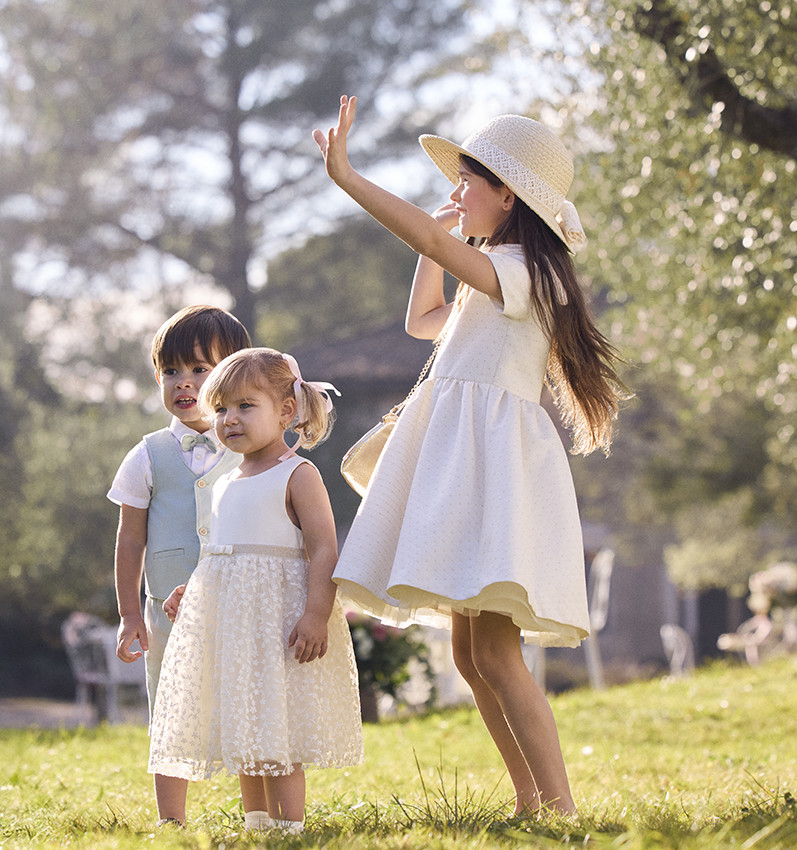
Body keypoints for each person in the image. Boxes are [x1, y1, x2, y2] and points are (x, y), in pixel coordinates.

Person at [314, 96, 627, 816]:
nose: (454, 195)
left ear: (507, 193)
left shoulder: (525, 273)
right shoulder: (496, 270)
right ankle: (532, 801)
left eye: (466, 181)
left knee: (497, 655)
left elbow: (428, 235)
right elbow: (423, 320)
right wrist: (444, 239)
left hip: (491, 472)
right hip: (465, 466)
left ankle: (560, 806)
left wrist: (350, 178)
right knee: (470, 655)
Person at [147, 348, 364, 833]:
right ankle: (257, 823)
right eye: (221, 409)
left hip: (279, 620)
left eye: (246, 406)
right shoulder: (224, 481)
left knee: (275, 723)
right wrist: (194, 590)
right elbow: (221, 554)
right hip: (234, 623)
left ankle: (290, 828)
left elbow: (325, 549)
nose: (229, 419)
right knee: (244, 717)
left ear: (286, 411)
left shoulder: (298, 474)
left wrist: (315, 614)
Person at [108, 304, 251, 826]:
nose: (184, 383)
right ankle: (172, 818)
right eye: (171, 371)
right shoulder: (146, 455)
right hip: (166, 611)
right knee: (171, 706)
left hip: (240, 599)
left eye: (200, 369)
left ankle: (259, 810)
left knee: (246, 701)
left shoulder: (253, 451)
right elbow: (129, 541)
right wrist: (129, 616)